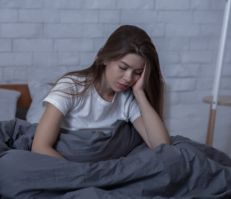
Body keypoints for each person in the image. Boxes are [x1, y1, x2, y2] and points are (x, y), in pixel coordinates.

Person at [31, 25, 170, 160]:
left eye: (137, 73)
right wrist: (82, 174)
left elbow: (161, 146)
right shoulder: (70, 87)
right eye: (122, 67)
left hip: (104, 166)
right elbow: (39, 147)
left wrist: (139, 92)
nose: (128, 78)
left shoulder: (128, 98)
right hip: (68, 164)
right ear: (106, 59)